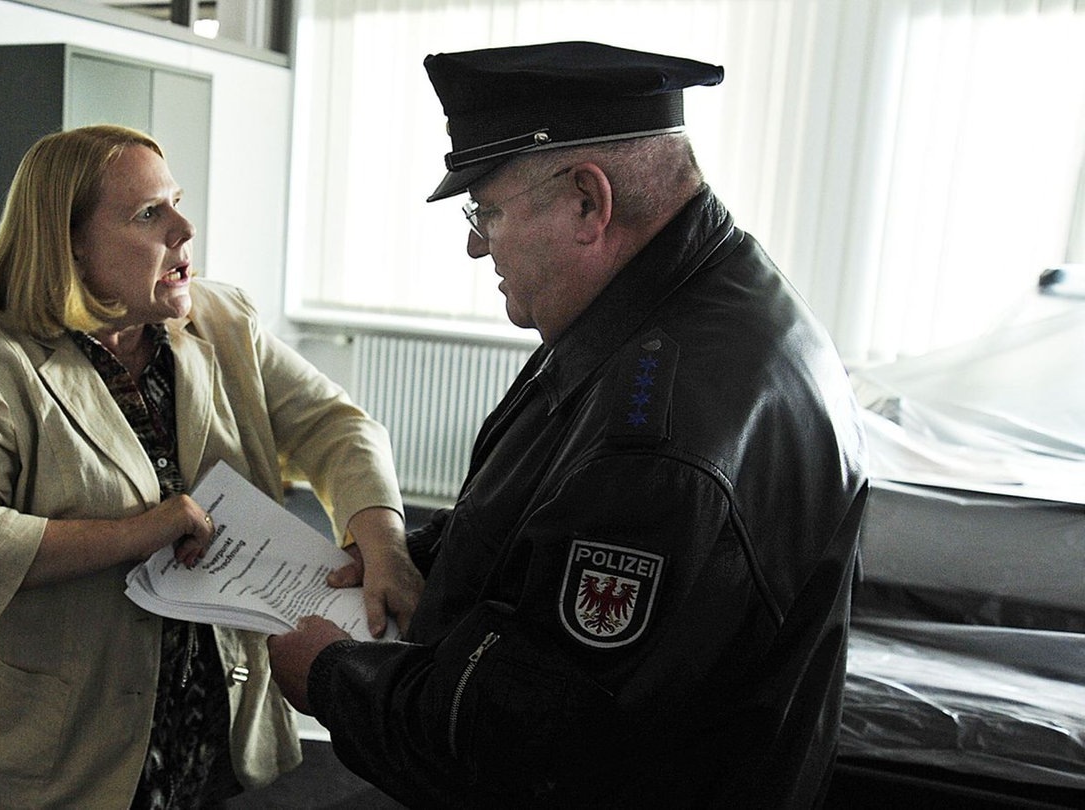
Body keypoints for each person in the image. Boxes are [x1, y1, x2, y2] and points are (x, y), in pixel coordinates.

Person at [267, 40, 869, 807]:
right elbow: (537, 513)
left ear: (589, 201)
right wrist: (414, 560)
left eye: (486, 209)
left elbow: (531, 745)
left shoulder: (660, 438)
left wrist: (332, 676)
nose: (474, 241)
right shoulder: (686, 300)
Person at [0, 124, 422, 809]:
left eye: (177, 203)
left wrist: (382, 538)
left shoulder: (220, 320)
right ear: (68, 240)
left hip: (191, 731)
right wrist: (138, 532)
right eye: (149, 214)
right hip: (28, 755)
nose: (184, 229)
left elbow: (336, 426)